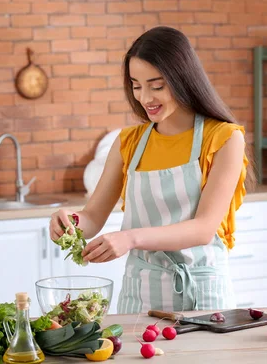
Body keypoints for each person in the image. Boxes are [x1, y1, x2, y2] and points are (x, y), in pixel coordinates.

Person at [49, 25, 252, 314]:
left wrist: (130, 238)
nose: (145, 98)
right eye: (136, 85)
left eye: (156, 86)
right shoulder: (128, 143)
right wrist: (69, 222)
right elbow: (92, 217)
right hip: (140, 296)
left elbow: (204, 229)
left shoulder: (224, 138)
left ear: (182, 79)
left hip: (203, 297)